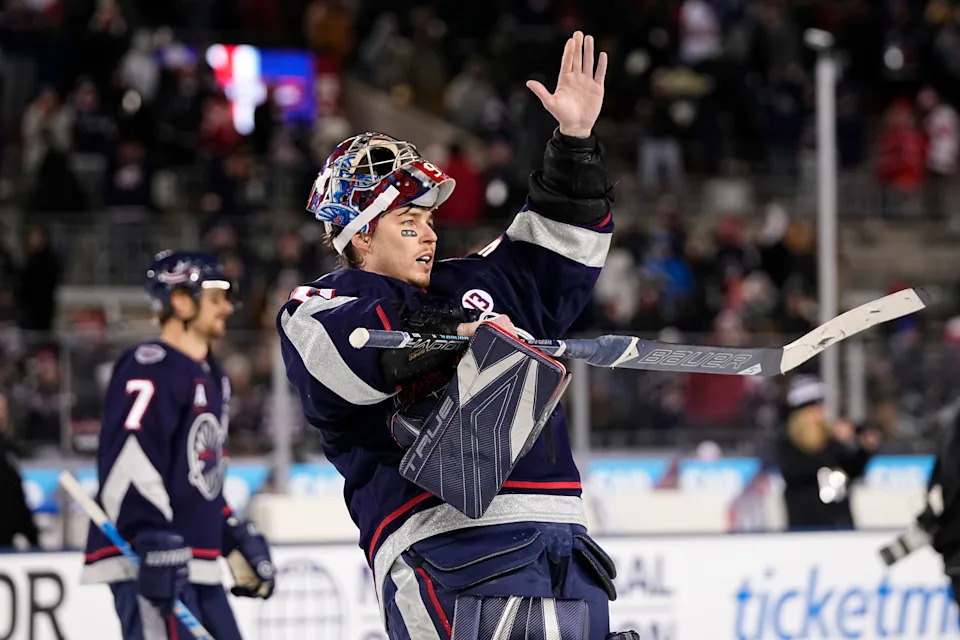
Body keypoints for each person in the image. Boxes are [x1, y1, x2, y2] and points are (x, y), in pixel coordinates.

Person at [279, 32, 635, 640]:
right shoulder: (322, 304)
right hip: (453, 551)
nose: (429, 235)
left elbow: (558, 250)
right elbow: (357, 350)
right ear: (360, 235)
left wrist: (575, 143)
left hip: (562, 551)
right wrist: (463, 334)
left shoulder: (477, 279)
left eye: (429, 222)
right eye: (408, 222)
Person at [81, 251, 275, 640]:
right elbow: (129, 457)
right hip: (149, 557)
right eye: (215, 296)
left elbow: (198, 474)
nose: (227, 307)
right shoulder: (149, 364)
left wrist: (229, 535)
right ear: (182, 301)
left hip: (195, 560)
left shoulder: (212, 375)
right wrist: (147, 533)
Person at [775, 374, 880, 531]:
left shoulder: (830, 441)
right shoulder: (787, 444)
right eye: (816, 407)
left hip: (839, 522)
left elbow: (850, 471)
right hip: (805, 525)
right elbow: (799, 471)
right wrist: (836, 442)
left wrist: (864, 451)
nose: (822, 413)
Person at [0, 390, 40, 548]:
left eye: (3, 409)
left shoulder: (9, 451)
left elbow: (16, 500)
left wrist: (32, 537)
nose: (1, 415)